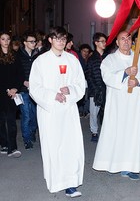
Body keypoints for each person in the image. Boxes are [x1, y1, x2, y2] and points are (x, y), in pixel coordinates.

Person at [29, 26, 85, 197]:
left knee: (71, 146)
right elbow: (35, 87)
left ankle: (71, 184)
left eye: (63, 38)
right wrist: (53, 96)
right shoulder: (40, 61)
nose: (61, 41)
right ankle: (56, 181)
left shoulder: (72, 60)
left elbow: (81, 84)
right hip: (50, 111)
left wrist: (70, 90)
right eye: (57, 38)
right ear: (50, 40)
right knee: (54, 145)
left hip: (68, 109)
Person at [93, 31, 140, 180]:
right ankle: (113, 163)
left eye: (129, 38)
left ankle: (130, 167)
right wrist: (125, 73)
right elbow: (106, 76)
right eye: (123, 39)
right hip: (117, 104)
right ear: (117, 42)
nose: (126, 41)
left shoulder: (139, 58)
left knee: (133, 134)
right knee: (117, 132)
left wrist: (138, 82)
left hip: (135, 104)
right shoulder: (110, 59)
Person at [0, 31, 24, 157]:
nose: (6, 41)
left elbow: (20, 73)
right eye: (3, 39)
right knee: (1, 120)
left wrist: (15, 88)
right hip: (1, 92)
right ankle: (3, 144)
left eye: (8, 39)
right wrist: (6, 89)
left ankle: (13, 148)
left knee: (11, 120)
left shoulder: (15, 55)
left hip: (12, 94)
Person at [18, 31, 39, 149]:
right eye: (31, 41)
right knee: (26, 115)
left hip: (35, 89)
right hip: (22, 90)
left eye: (35, 41)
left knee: (35, 114)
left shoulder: (37, 56)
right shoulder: (18, 55)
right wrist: (23, 81)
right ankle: (27, 139)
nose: (34, 43)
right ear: (25, 43)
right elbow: (16, 72)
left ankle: (32, 132)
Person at [85, 32, 107, 142]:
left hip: (106, 89)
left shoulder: (107, 57)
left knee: (105, 112)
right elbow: (88, 75)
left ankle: (105, 132)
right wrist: (94, 89)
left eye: (105, 41)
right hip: (95, 90)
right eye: (102, 41)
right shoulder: (92, 58)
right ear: (96, 43)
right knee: (94, 112)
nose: (104, 43)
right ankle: (94, 131)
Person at [78, 43, 92, 118]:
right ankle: (81, 111)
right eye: (84, 51)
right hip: (80, 81)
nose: (85, 53)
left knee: (86, 96)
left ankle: (85, 111)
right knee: (81, 96)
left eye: (87, 51)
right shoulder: (78, 59)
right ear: (80, 51)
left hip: (86, 81)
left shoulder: (88, 59)